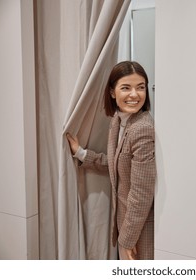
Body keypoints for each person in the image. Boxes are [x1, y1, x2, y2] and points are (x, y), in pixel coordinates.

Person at [66, 61, 156, 260]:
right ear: (113, 92)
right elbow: (117, 164)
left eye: (140, 87)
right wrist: (81, 153)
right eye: (126, 88)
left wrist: (127, 240)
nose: (135, 94)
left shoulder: (143, 128)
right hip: (124, 223)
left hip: (139, 229)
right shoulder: (118, 120)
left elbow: (141, 193)